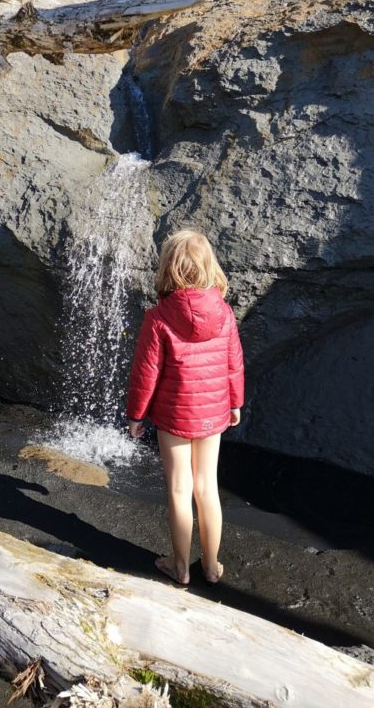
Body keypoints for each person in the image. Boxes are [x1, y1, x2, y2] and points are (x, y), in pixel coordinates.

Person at [126, 228, 244, 585]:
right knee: (207, 487)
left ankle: (179, 568)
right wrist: (235, 404)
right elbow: (234, 363)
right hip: (212, 412)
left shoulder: (159, 317)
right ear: (209, 265)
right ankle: (210, 565)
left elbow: (145, 373)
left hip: (173, 415)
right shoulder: (224, 313)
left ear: (169, 268)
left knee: (180, 488)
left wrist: (136, 415)